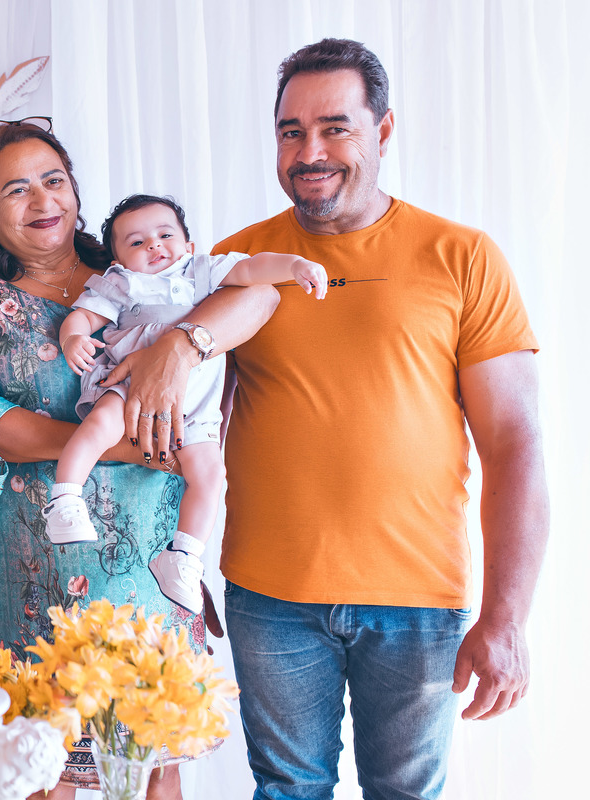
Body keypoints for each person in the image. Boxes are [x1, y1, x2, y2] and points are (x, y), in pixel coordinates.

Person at [186, 38, 544, 800]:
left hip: (417, 600)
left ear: (382, 130)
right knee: (286, 790)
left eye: (334, 128)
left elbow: (515, 445)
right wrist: (175, 571)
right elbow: (192, 433)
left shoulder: (461, 256)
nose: (310, 152)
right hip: (269, 597)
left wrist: (507, 618)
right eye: (291, 132)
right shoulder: (235, 262)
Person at [0, 117, 279, 798]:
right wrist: (111, 445)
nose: (43, 200)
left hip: (146, 564)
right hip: (33, 570)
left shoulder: (139, 275)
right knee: (44, 767)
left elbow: (259, 294)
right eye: (17, 190)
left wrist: (181, 344)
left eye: (54, 180)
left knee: (152, 764)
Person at [46, 193, 327, 616]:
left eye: (165, 235)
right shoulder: (121, 283)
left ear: (189, 245)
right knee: (99, 426)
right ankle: (65, 497)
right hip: (131, 386)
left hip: (195, 409)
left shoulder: (202, 272)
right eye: (136, 242)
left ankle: (183, 557)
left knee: (210, 474)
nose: (153, 245)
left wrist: (294, 265)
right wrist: (73, 337)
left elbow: (253, 269)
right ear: (118, 260)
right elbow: (84, 316)